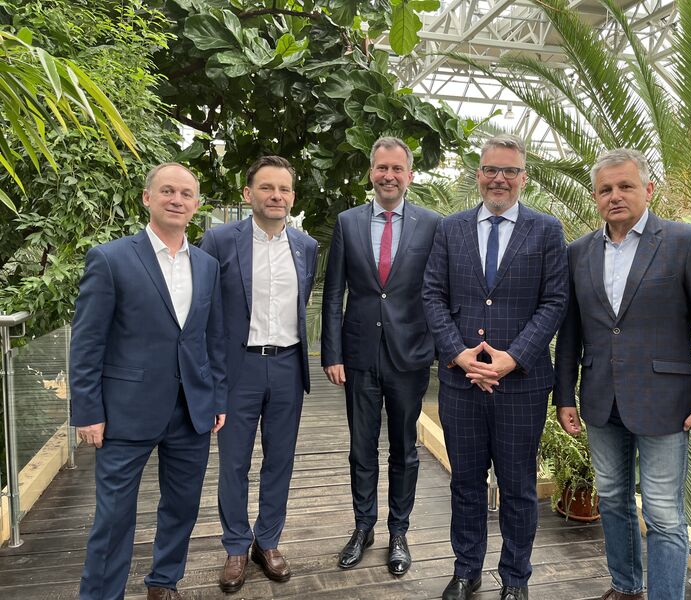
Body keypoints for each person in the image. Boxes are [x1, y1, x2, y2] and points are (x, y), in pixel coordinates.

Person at [553, 148, 691, 600]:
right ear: (595, 197)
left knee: (664, 514)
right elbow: (570, 333)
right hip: (600, 400)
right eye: (605, 189)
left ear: (648, 189)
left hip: (665, 405)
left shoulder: (687, 242)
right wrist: (565, 396)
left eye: (625, 186)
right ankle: (625, 586)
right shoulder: (578, 252)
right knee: (613, 499)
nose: (615, 196)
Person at [70, 163, 227, 600]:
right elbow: (87, 343)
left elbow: (211, 338)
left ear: (196, 206)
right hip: (125, 412)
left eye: (186, 194)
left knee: (181, 507)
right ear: (147, 198)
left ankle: (164, 582)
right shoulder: (110, 258)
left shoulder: (208, 265)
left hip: (191, 410)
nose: (177, 200)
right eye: (167, 192)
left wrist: (217, 396)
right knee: (114, 516)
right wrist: (88, 412)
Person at [422, 134, 569, 600]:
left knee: (519, 487)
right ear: (478, 175)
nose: (499, 178)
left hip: (520, 385)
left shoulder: (547, 230)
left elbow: (554, 302)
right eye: (490, 170)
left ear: (524, 177)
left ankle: (515, 579)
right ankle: (466, 572)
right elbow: (433, 296)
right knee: (465, 483)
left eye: (509, 171)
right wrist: (458, 352)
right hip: (460, 381)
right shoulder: (451, 228)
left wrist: (512, 358)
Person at [321, 137, 441, 576]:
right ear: (371, 172)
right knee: (361, 448)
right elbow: (334, 293)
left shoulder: (431, 224)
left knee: (404, 450)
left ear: (409, 175)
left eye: (396, 168)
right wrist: (332, 352)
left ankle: (399, 532)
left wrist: (438, 349)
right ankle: (363, 527)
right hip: (358, 356)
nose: (388, 175)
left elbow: (438, 293)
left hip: (409, 356)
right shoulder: (348, 222)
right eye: (380, 168)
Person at [199, 155, 318, 593]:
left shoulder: (306, 246)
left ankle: (266, 541)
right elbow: (206, 311)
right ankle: (235, 545)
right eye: (267, 188)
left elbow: (302, 303)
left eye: (284, 189)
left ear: (292, 196)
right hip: (238, 368)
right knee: (233, 463)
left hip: (288, 365)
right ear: (248, 194)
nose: (276, 196)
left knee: (280, 462)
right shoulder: (219, 240)